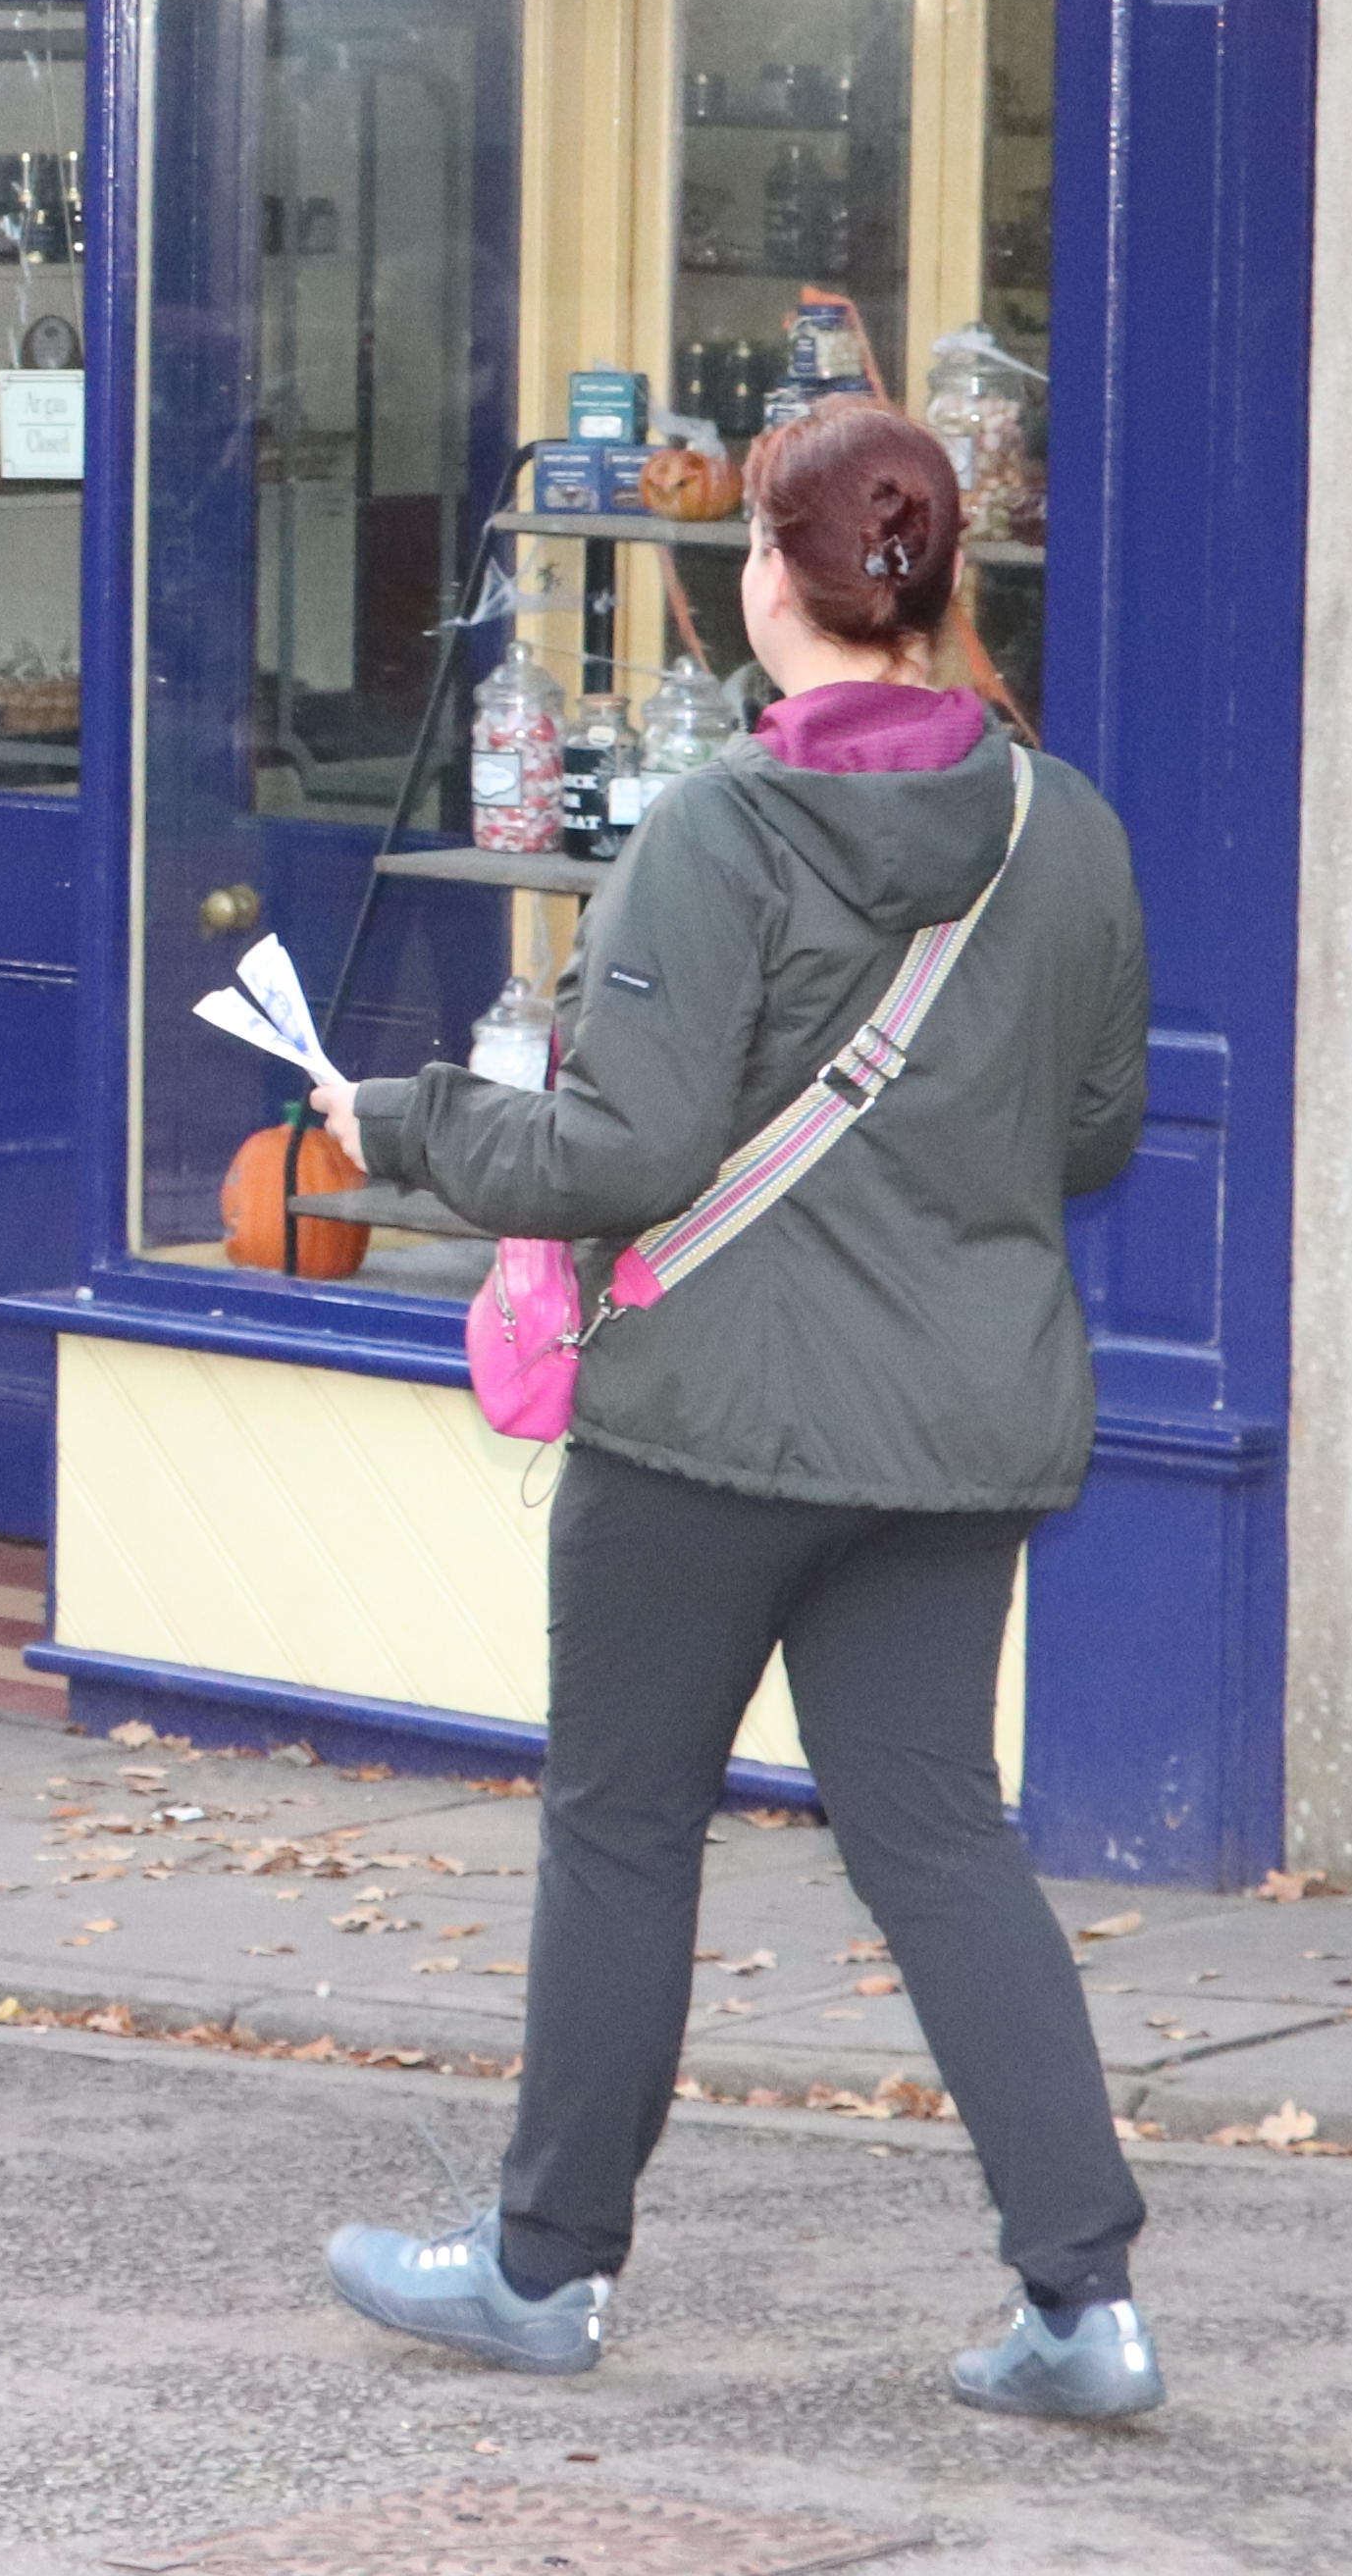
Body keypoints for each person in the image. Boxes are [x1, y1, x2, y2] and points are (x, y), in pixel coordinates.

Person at [312, 400, 1164, 2420]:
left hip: (703, 1425)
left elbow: (625, 1146)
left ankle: (542, 2269)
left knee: (623, 1832)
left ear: (766, 576)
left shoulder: (716, 832)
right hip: (959, 1426)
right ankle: (1087, 2299)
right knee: (941, 1829)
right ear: (942, 582)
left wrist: (406, 1121)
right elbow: (1102, 1128)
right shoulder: (1068, 826)